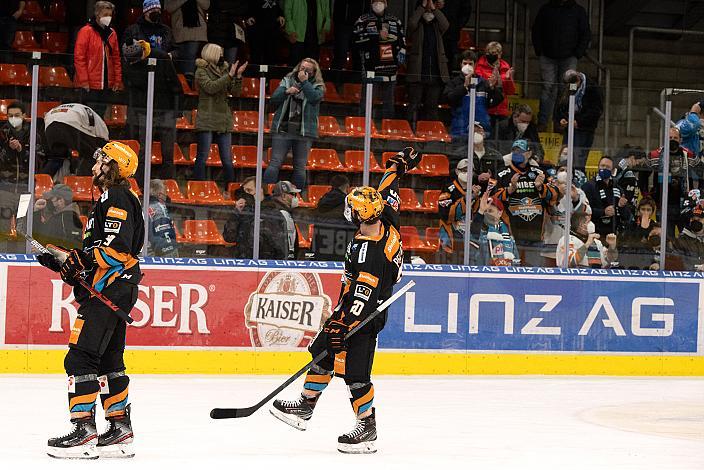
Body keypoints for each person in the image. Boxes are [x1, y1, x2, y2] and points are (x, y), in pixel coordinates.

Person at [270, 147, 417, 454]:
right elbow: (387, 187)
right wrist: (396, 166)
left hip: (365, 314)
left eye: (350, 207)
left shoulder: (369, 252)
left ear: (358, 214)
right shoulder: (386, 216)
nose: (347, 210)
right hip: (351, 306)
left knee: (356, 373)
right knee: (322, 352)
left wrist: (343, 324)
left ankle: (367, 428)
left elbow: (364, 295)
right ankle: (306, 406)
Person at [39, 141, 144, 459]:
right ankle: (119, 429)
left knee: (80, 358)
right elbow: (101, 253)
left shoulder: (117, 197)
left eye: (102, 159)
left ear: (114, 166)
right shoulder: (110, 198)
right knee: (109, 360)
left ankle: (84, 430)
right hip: (115, 288)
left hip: (111, 291)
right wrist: (66, 262)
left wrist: (81, 260)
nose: (95, 164)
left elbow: (116, 250)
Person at [122, 4, 182, 180]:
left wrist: (176, 109)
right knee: (142, 151)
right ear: (145, 11)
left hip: (165, 107)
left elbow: (175, 84)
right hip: (143, 107)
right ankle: (139, 183)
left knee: (168, 153)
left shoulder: (165, 35)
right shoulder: (133, 31)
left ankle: (167, 185)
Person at [493, 139, 558, 266]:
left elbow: (554, 197)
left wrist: (541, 187)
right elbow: (491, 198)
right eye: (514, 151)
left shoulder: (539, 173)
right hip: (511, 233)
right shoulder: (502, 173)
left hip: (535, 233)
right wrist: (510, 189)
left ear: (529, 153)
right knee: (512, 270)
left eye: (520, 151)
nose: (516, 153)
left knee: (533, 272)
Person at [264, 58, 324, 191]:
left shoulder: (318, 86)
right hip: (284, 129)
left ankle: (296, 197)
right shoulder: (287, 80)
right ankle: (266, 193)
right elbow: (274, 99)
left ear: (314, 73)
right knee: (275, 162)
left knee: (300, 167)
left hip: (304, 132)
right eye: (302, 68)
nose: (303, 72)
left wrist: (305, 82)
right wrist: (286, 92)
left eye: (307, 70)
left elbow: (314, 98)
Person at [531, 0, 590, 131]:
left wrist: (577, 53)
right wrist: (539, 50)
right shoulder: (546, 9)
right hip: (547, 55)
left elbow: (585, 33)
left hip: (569, 56)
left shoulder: (578, 11)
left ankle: (560, 121)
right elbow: (536, 29)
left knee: (566, 89)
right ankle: (543, 122)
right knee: (548, 87)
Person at [193, 43, 246, 183]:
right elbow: (211, 87)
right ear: (212, 54)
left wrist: (238, 76)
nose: (222, 56)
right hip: (207, 117)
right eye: (220, 53)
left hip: (223, 118)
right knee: (202, 156)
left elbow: (235, 92)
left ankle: (231, 188)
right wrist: (229, 75)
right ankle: (199, 186)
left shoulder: (225, 69)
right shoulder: (201, 71)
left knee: (227, 159)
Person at [444, 50, 503, 164]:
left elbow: (496, 101)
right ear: (460, 64)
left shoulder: (483, 83)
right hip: (460, 132)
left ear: (475, 65)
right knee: (459, 163)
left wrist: (492, 88)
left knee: (480, 163)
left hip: (482, 132)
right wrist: (464, 86)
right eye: (464, 63)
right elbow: (448, 99)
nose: (467, 66)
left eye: (470, 64)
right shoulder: (454, 82)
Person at [353, 0, 406, 119]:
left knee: (389, 102)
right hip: (370, 67)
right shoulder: (363, 20)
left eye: (381, 1)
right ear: (371, 3)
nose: (378, 4)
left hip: (390, 68)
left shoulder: (395, 20)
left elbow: (402, 42)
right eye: (375, 1)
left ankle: (387, 131)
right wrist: (376, 36)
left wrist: (400, 57)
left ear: (386, 4)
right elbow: (356, 41)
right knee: (367, 101)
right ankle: (364, 129)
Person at [74, 1, 123, 119]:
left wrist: (117, 80)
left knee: (100, 118)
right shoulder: (86, 31)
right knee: (87, 118)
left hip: (106, 85)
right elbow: (79, 58)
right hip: (89, 85)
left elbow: (116, 58)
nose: (108, 18)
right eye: (105, 14)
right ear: (97, 14)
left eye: (110, 15)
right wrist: (84, 81)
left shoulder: (112, 33)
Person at [405, 0, 449, 127]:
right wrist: (422, 7)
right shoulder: (418, 23)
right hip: (418, 72)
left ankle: (431, 132)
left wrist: (434, 9)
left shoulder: (437, 25)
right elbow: (411, 24)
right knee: (414, 104)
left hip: (435, 72)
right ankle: (410, 129)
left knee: (432, 106)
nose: (429, 9)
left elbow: (446, 24)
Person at [555, 69, 603, 172]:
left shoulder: (592, 88)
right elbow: (559, 106)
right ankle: (562, 176)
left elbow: (596, 110)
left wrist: (579, 121)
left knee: (578, 159)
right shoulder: (567, 88)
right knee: (565, 156)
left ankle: (577, 179)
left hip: (584, 129)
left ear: (578, 80)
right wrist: (562, 118)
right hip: (569, 127)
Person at [43, 103, 110, 177]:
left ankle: (42, 182)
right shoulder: (102, 131)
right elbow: (99, 145)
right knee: (90, 156)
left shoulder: (96, 122)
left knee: (57, 157)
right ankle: (83, 182)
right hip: (71, 121)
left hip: (50, 121)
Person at [541, 168, 588, 266]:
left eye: (567, 170)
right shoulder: (547, 190)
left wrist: (575, 199)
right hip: (551, 244)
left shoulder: (579, 192)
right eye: (562, 169)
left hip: (573, 244)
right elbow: (547, 211)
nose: (564, 173)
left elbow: (586, 215)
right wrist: (558, 194)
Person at [580, 156, 631, 239]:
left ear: (613, 170)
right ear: (598, 167)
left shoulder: (617, 188)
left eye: (607, 167)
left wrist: (622, 207)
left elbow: (627, 216)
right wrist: (603, 212)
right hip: (594, 233)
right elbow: (583, 211)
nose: (604, 168)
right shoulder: (588, 186)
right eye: (602, 166)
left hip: (613, 234)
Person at [310, 174, 356, 261]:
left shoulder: (321, 202)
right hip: (339, 250)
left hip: (320, 249)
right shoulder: (347, 204)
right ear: (347, 187)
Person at [165, 0, 210, 85]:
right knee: (182, 56)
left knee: (190, 54)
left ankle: (188, 81)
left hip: (197, 28)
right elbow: (169, 8)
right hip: (179, 29)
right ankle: (183, 83)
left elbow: (206, 5)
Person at [0, 101, 42, 192]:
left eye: (17, 115)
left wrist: (21, 149)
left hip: (26, 183)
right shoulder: (2, 134)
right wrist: (9, 150)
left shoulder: (33, 134)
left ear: (23, 115)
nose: (13, 118)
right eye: (10, 115)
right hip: (4, 184)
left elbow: (37, 162)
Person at [474, 41, 515, 131]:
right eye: (488, 53)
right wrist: (492, 82)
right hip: (485, 109)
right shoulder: (479, 66)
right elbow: (479, 86)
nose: (490, 55)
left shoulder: (505, 68)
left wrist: (508, 79)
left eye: (493, 53)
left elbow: (510, 91)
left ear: (500, 54)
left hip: (501, 110)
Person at [437, 157, 472, 263]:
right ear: (457, 171)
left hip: (469, 234)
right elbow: (445, 214)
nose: (467, 173)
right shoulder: (448, 188)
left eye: (469, 170)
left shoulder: (476, 188)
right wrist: (465, 200)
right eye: (464, 170)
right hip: (450, 233)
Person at [471, 193, 519, 266]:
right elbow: (473, 234)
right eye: (485, 211)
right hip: (483, 274)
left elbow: (516, 262)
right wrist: (481, 211)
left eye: (490, 211)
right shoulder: (480, 230)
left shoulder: (508, 235)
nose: (486, 213)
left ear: (500, 213)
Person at [33, 184, 84, 250]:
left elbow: (70, 247)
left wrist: (42, 250)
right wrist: (37, 211)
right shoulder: (62, 216)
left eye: (52, 198)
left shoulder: (66, 219)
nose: (48, 201)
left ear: (60, 201)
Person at [258, 180, 301, 260]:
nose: (296, 198)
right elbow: (282, 246)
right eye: (293, 194)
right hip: (279, 263)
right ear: (284, 196)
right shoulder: (282, 214)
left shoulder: (272, 210)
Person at [284, 0, 331, 66]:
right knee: (294, 67)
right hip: (297, 36)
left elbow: (327, 12)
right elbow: (287, 10)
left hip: (315, 37)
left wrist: (325, 28)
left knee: (312, 69)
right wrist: (290, 30)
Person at [206, 0, 250, 64]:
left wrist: (226, 10)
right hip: (217, 30)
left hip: (232, 32)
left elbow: (244, 8)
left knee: (230, 63)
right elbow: (216, 5)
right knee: (215, 61)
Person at [222, 182, 256, 258]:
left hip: (266, 261)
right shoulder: (241, 213)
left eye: (249, 190)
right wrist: (236, 213)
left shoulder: (270, 212)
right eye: (244, 192)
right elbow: (229, 238)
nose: (246, 195)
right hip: (243, 258)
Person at [247, 0, 285, 66]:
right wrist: (248, 16)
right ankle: (255, 75)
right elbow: (248, 7)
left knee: (271, 57)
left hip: (272, 32)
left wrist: (280, 15)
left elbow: (278, 9)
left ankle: (269, 75)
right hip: (257, 31)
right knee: (256, 57)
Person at [147, 179, 179, 257]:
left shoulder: (142, 205)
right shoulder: (160, 207)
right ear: (160, 195)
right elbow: (164, 234)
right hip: (160, 251)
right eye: (165, 192)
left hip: (146, 251)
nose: (167, 195)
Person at [332, 0, 366, 71]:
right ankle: (336, 78)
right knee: (341, 54)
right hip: (342, 23)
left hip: (361, 24)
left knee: (359, 55)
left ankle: (357, 79)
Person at [672, 200, 704, 271]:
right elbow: (676, 262)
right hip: (689, 278)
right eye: (693, 219)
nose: (695, 221)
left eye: (699, 219)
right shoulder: (681, 240)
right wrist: (696, 268)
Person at [438, 0, 470, 66]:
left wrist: (457, 26)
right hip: (433, 29)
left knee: (448, 61)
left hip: (451, 34)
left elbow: (466, 11)